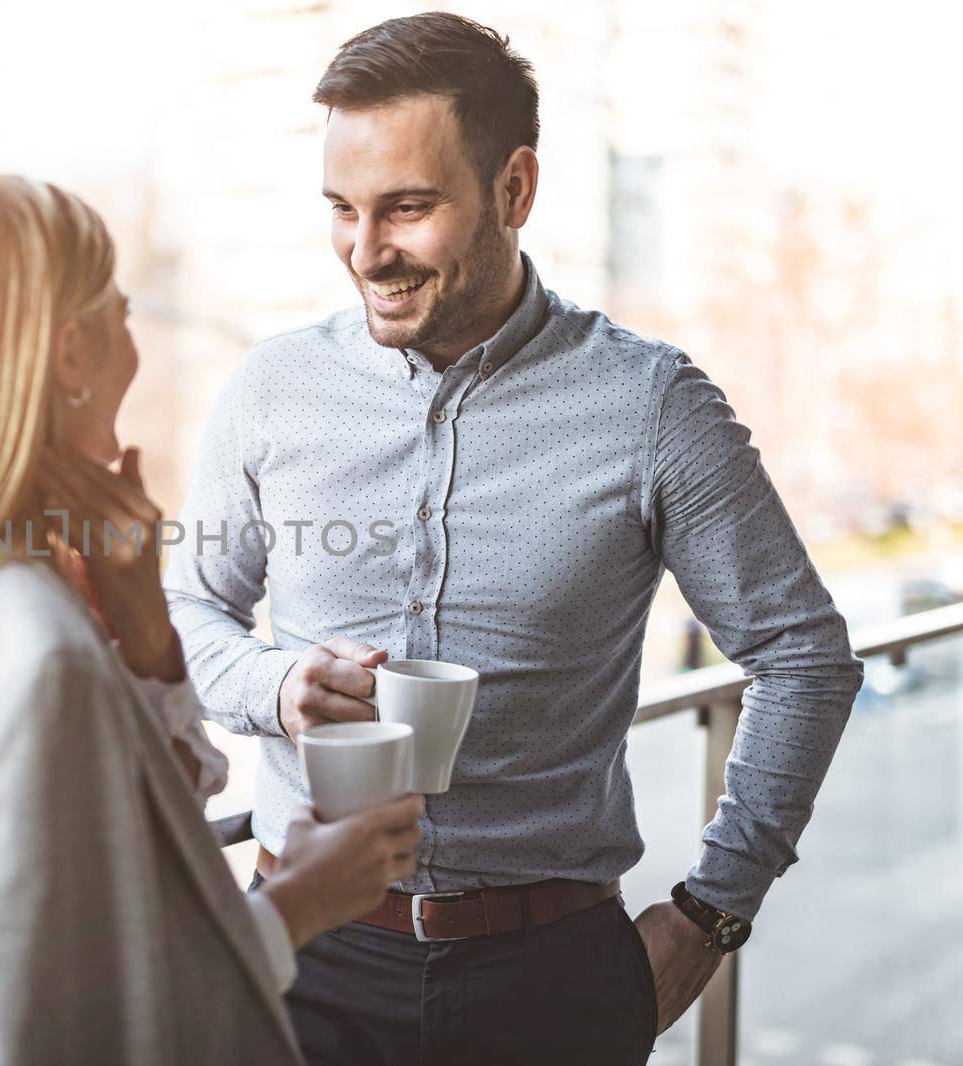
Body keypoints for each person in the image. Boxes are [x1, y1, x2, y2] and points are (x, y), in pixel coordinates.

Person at [164, 13, 864, 1065]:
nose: (366, 252)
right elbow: (190, 610)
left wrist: (712, 909)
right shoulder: (270, 390)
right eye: (343, 210)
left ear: (514, 190)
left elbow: (803, 656)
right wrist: (274, 690)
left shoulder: (650, 404)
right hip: (301, 960)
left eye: (406, 208)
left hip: (550, 985)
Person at [0, 174, 424, 1066]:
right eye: (121, 313)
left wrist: (148, 639)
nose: (133, 349)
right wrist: (302, 903)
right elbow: (69, 1034)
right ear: (68, 354)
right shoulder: (33, 649)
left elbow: (92, 877)